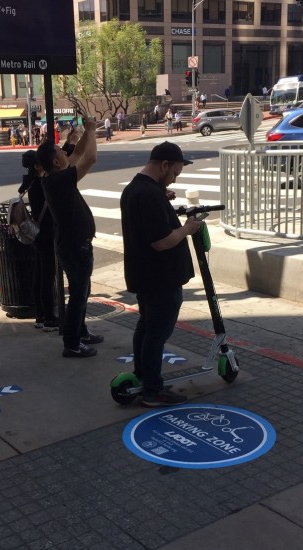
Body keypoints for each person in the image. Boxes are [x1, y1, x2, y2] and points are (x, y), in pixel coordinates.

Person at [120, 142, 201, 407]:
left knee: (146, 328)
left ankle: (144, 377)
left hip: (144, 275)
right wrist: (187, 228)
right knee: (157, 334)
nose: (175, 177)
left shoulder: (136, 189)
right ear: (164, 165)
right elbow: (161, 241)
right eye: (174, 172)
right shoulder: (149, 195)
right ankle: (153, 391)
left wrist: (161, 195)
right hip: (160, 278)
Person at [36, 117, 102, 358]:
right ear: (55, 160)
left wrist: (84, 133)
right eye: (59, 150)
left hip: (75, 245)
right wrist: (93, 131)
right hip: (75, 247)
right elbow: (90, 158)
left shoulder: (56, 177)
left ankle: (80, 332)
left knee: (81, 292)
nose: (64, 150)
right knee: (77, 294)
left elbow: (78, 153)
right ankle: (72, 343)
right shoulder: (59, 180)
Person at [19, 149, 58, 332]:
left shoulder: (30, 182)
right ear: (36, 166)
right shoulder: (41, 184)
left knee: (40, 273)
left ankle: (40, 316)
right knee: (47, 277)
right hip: (46, 233)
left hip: (36, 233)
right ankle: (49, 318)